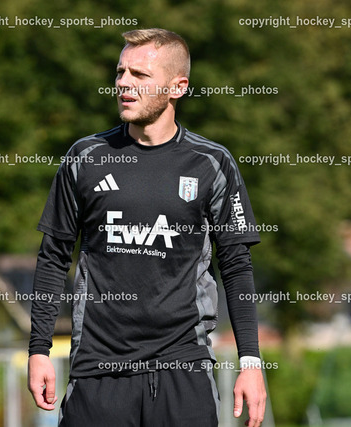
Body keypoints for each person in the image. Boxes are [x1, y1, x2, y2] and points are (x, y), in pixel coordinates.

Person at [28, 28, 266, 427]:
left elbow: (236, 266)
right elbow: (53, 258)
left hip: (183, 369)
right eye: (120, 72)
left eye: (139, 75)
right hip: (98, 371)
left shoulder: (212, 164)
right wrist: (39, 349)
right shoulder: (85, 157)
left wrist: (251, 363)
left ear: (178, 87)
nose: (123, 83)